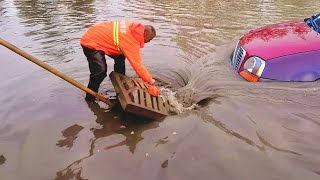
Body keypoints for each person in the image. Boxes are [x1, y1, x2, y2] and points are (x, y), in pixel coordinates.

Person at [80, 21, 156, 101]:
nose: (149, 41)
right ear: (145, 34)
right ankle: (90, 98)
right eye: (150, 39)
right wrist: (150, 80)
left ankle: (120, 83)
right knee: (100, 72)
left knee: (120, 57)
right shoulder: (131, 40)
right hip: (91, 42)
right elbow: (137, 65)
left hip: (99, 36)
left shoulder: (132, 28)